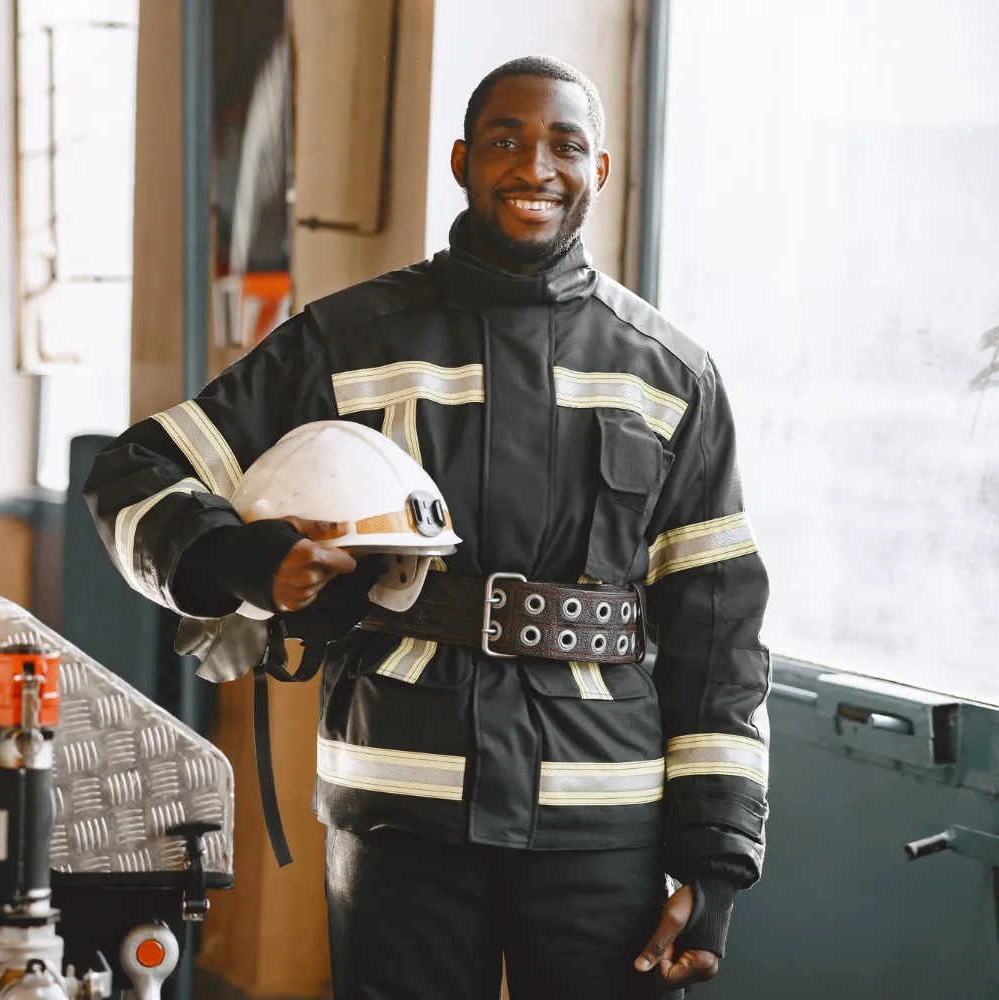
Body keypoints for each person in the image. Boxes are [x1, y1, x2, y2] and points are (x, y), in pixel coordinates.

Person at [85, 55, 770, 999]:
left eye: (565, 146)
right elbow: (132, 473)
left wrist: (718, 859)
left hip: (602, 815)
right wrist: (244, 560)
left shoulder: (669, 375)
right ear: (459, 161)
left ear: (601, 172)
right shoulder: (345, 341)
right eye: (505, 142)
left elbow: (718, 627)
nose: (535, 168)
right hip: (401, 800)